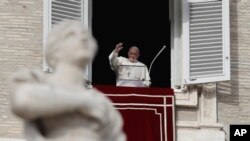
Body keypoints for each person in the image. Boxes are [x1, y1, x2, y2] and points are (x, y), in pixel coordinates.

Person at [9, 21, 126, 141]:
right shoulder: (36, 80)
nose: (83, 38)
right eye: (71, 34)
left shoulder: (103, 103)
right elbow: (23, 100)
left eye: (85, 35)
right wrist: (83, 101)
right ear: (55, 49)